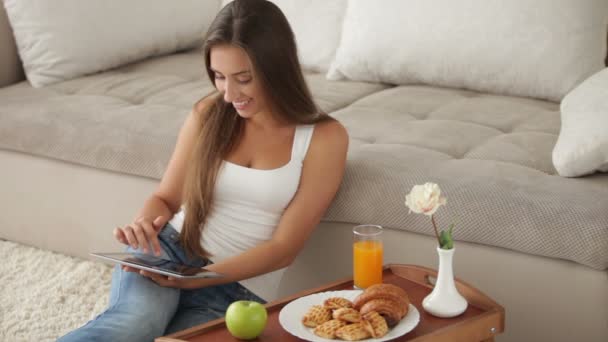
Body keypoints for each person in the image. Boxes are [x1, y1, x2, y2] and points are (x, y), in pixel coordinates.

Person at [57, 0, 348, 341]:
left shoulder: (324, 138)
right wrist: (144, 227)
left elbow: (285, 247)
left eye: (243, 79)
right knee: (135, 325)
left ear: (277, 69)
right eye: (219, 77)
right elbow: (165, 198)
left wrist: (196, 278)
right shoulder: (209, 113)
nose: (229, 94)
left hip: (236, 291)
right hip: (169, 252)